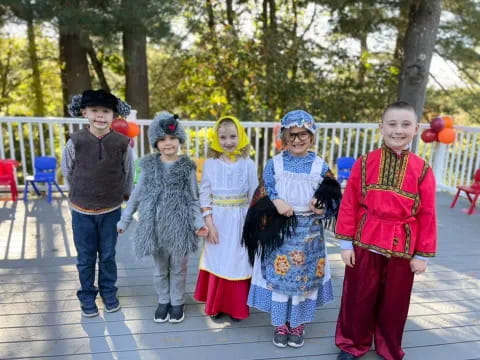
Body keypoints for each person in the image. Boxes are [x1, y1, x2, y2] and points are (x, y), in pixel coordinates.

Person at [334, 101, 437, 360]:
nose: (398, 130)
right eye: (392, 124)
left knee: (395, 301)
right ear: (381, 127)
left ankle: (388, 347)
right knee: (358, 296)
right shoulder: (365, 162)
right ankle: (352, 344)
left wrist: (422, 254)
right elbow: (349, 204)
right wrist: (346, 244)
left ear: (416, 129)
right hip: (365, 240)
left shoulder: (422, 169)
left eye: (405, 124)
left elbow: (428, 214)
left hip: (403, 246)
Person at [247, 110, 336, 348]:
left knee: (302, 280)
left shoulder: (320, 166)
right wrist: (276, 202)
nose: (297, 140)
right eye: (292, 135)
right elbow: (264, 192)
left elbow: (334, 199)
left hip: (309, 234)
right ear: (285, 137)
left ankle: (297, 324)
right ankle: (280, 324)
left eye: (303, 134)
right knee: (279, 277)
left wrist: (322, 208)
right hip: (280, 231)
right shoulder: (274, 164)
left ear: (311, 136)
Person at [117, 111, 208, 324]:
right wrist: (125, 219)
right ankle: (163, 300)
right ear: (155, 143)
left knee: (178, 268)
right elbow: (136, 194)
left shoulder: (186, 167)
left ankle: (177, 301)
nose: (168, 143)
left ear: (180, 140)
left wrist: (199, 223)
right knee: (160, 269)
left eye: (172, 138)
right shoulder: (149, 167)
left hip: (180, 227)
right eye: (162, 139)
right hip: (155, 227)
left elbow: (194, 199)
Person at [62, 89, 134, 317]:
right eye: (94, 111)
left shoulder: (122, 143)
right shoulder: (76, 141)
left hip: (111, 209)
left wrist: (126, 195)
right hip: (81, 209)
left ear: (114, 116)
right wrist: (77, 191)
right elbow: (68, 169)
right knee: (85, 257)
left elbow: (128, 172)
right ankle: (86, 295)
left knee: (107, 255)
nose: (100, 116)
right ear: (84, 112)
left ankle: (108, 292)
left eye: (106, 111)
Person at [193, 116, 258, 321]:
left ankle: (236, 306)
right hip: (218, 219)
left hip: (240, 218)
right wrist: (209, 223)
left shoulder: (248, 163)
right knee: (218, 258)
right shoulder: (211, 164)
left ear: (240, 137)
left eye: (232, 137)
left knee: (238, 259)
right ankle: (217, 304)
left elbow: (253, 193)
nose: (228, 142)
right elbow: (204, 193)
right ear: (216, 139)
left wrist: (252, 222)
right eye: (223, 137)